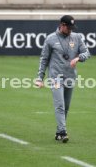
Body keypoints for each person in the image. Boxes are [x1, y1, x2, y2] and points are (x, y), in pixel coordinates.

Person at [35, 15, 91, 143]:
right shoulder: (50, 39)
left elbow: (87, 52)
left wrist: (78, 58)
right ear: (62, 25)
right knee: (59, 105)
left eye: (72, 27)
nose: (70, 30)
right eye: (69, 27)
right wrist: (39, 77)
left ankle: (59, 132)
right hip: (56, 77)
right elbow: (44, 60)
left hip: (70, 77)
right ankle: (63, 132)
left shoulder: (77, 37)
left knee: (66, 106)